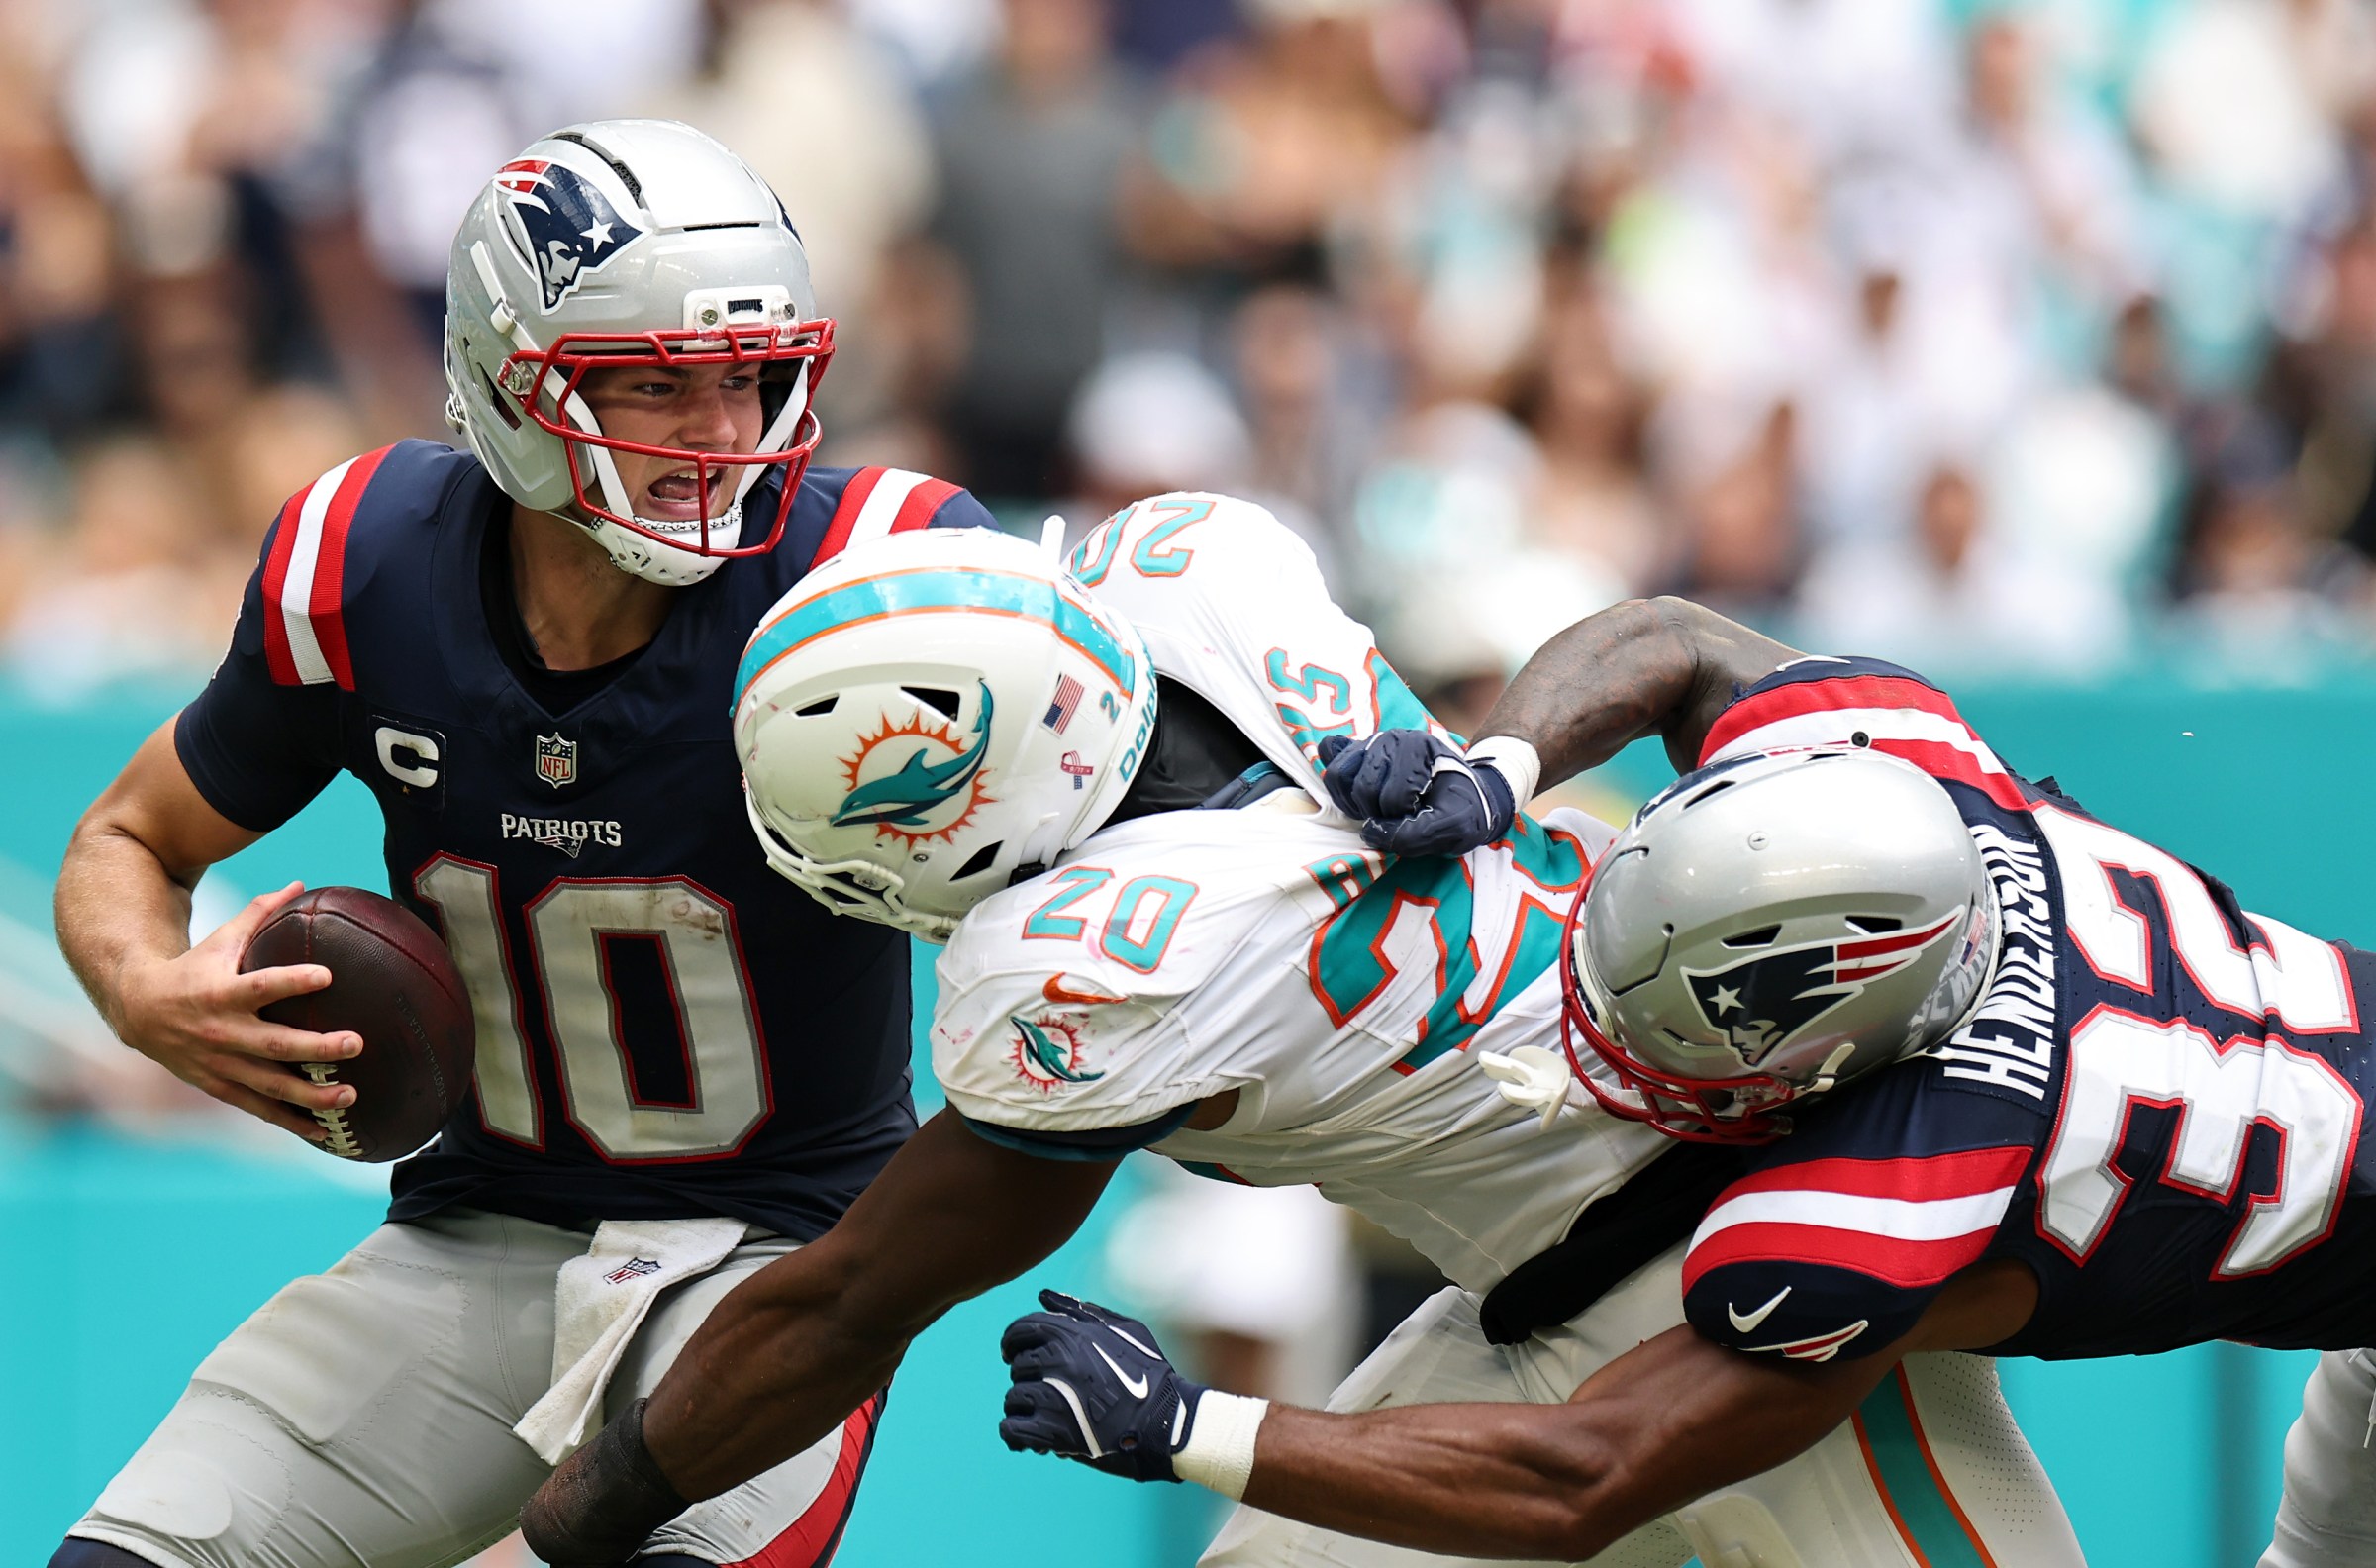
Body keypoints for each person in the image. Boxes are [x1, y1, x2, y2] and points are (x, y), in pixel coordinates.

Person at [520, 527, 2086, 1568]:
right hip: (1537, 1277)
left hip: (1737, 1269)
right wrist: (1503, 758)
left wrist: (584, 1519)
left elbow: (845, 1307)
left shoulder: (1089, 975)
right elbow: (1671, 637)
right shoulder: (1190, 571)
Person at [48, 120, 1000, 1568]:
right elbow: (130, 834)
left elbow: (1125, 839)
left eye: (747, 381)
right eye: (655, 387)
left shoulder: (877, 583)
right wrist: (141, 988)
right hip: (473, 1234)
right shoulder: (364, 565)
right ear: (504, 379)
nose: (720, 438)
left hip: (775, 1264)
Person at [977, 602, 2376, 1563]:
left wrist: (1190, 1427)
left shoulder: (1893, 1190)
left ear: (1832, 1058)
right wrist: (1497, 766)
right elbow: (1673, 641)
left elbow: (1588, 1476)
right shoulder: (1910, 786)